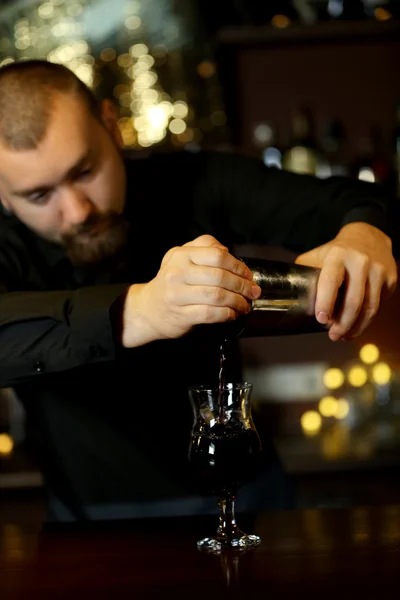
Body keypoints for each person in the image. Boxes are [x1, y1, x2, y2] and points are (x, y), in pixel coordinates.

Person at [0, 59, 397, 522]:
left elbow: (359, 202)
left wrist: (367, 231)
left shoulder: (194, 182)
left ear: (111, 126)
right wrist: (141, 310)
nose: (77, 211)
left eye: (85, 171)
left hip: (249, 499)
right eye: (39, 196)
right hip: (87, 520)